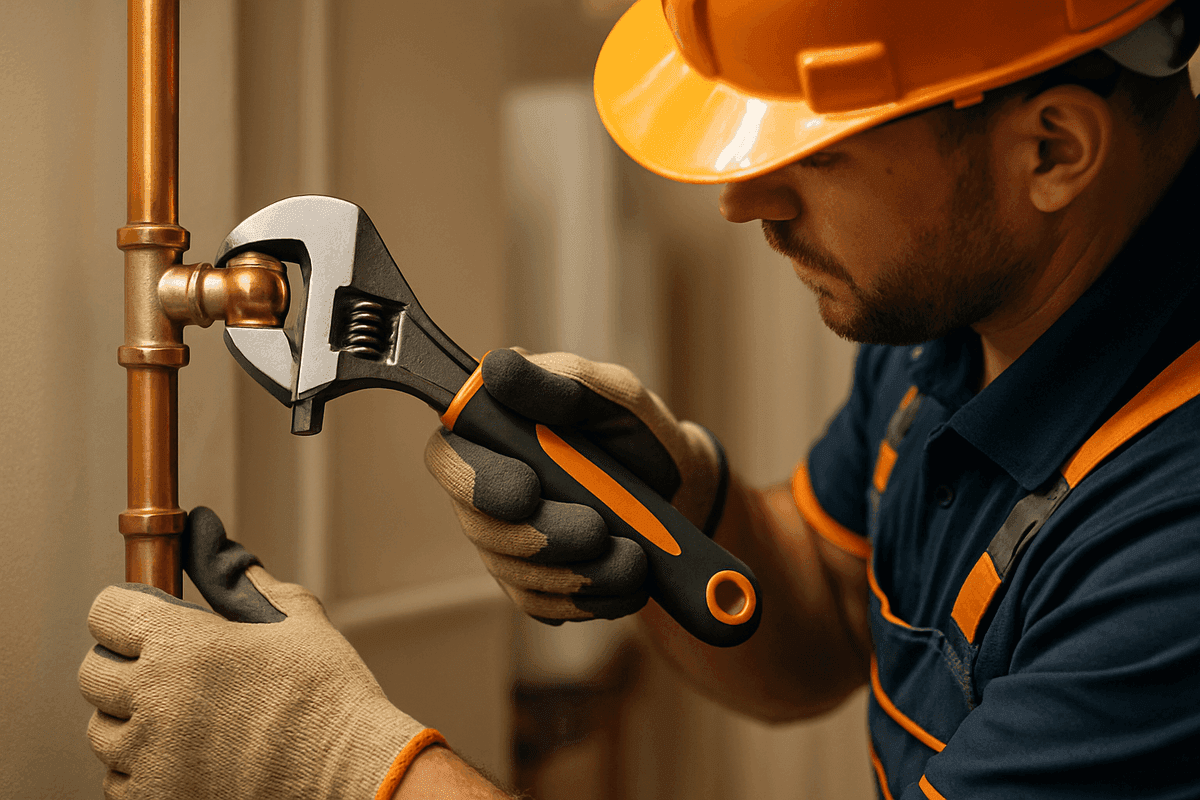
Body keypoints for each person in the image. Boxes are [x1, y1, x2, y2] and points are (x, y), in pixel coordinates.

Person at [79, 0, 1200, 798]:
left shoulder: (1172, 543)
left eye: (815, 152)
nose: (741, 201)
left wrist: (340, 765)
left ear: (1051, 147)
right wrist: (688, 499)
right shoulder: (974, 311)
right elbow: (817, 613)